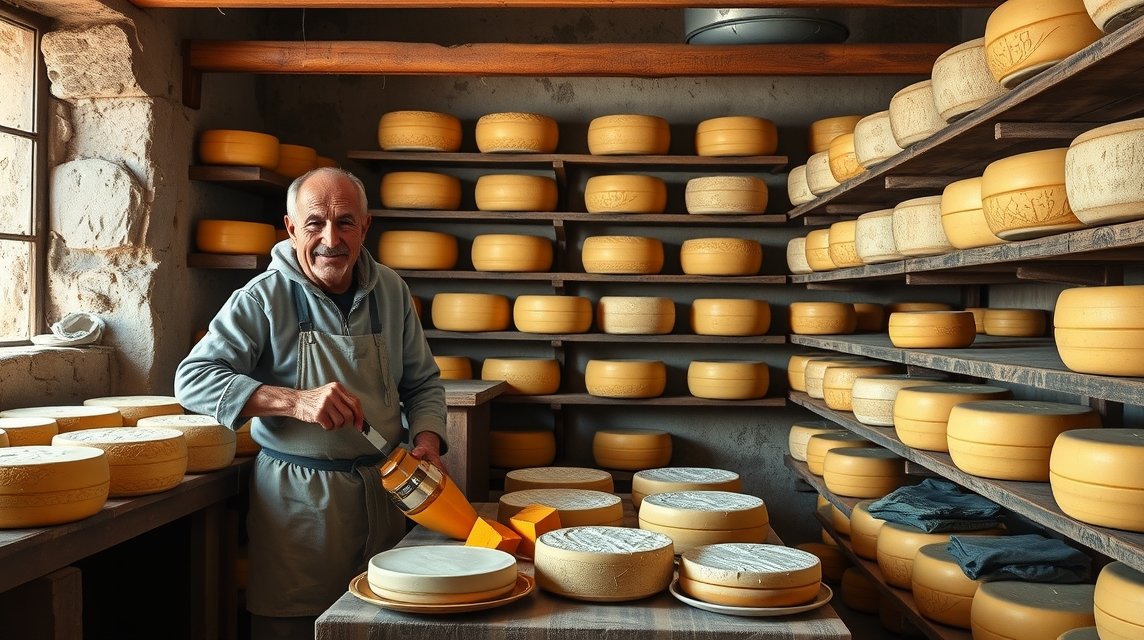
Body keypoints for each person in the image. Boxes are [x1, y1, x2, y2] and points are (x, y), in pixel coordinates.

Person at [175, 167, 447, 640]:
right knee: (294, 628)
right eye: (315, 223)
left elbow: (423, 383)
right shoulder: (262, 297)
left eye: (345, 223)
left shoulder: (391, 291)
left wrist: (427, 439)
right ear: (290, 227)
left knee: (383, 626)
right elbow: (192, 380)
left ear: (366, 227)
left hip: (384, 497)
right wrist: (293, 401)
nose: (330, 238)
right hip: (299, 508)